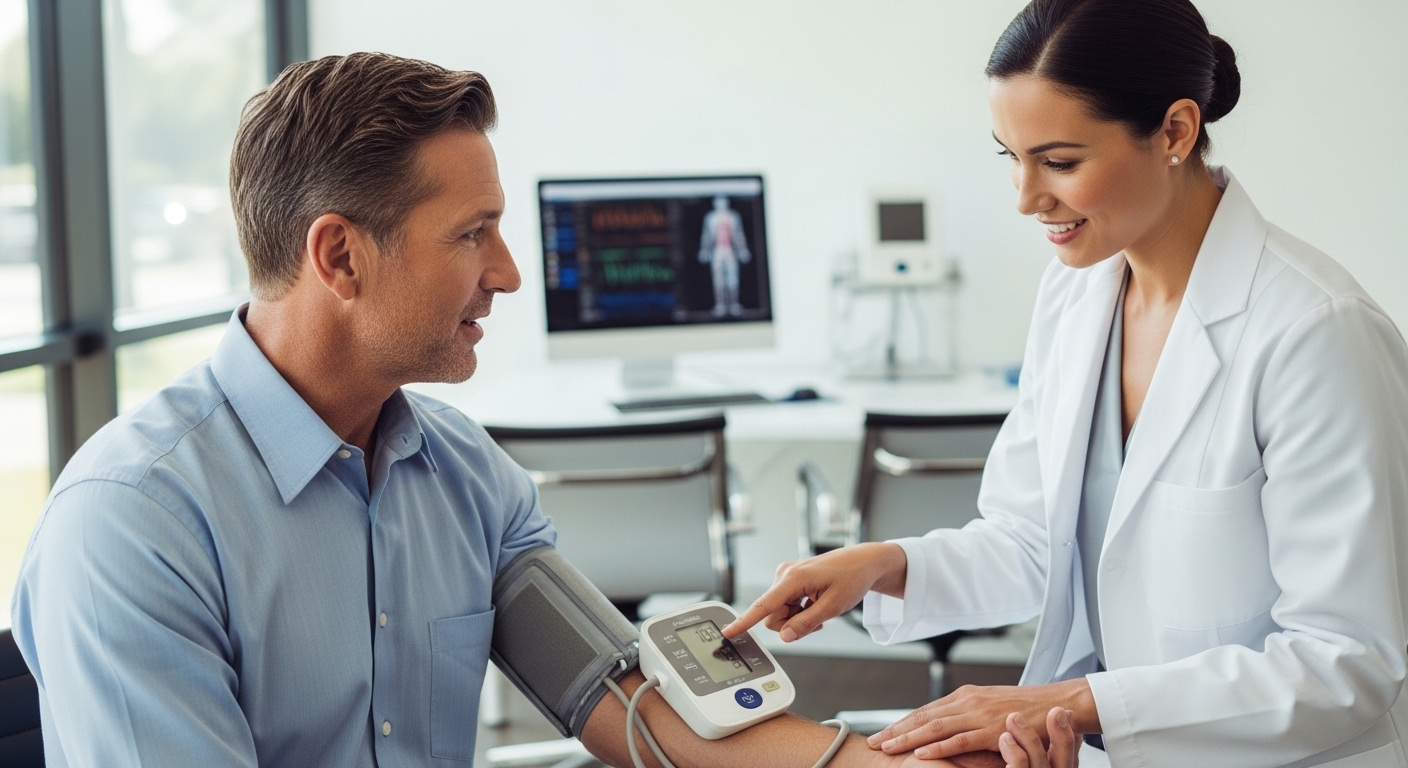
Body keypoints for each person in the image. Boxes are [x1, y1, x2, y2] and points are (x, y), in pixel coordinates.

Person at [7, 52, 1049, 768]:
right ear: (339, 256)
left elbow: (639, 707)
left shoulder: (465, 476)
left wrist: (877, 760)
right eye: (472, 235)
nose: (507, 273)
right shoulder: (133, 522)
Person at [725, 1, 1408, 766]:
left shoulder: (1317, 332)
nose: (1025, 197)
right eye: (1008, 157)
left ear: (1176, 132)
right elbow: (1034, 543)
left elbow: (1347, 662)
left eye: (1060, 162)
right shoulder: (1077, 292)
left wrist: (1075, 701)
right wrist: (888, 565)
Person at [698, 194, 752, 316]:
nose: (721, 205)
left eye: (723, 202)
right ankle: (720, 306)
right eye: (718, 202)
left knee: (733, 278)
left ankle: (734, 305)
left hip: (730, 250)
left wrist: (743, 250)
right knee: (718, 279)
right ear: (715, 204)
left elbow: (738, 235)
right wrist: (704, 250)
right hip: (717, 251)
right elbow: (706, 235)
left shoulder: (733, 216)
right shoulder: (711, 217)